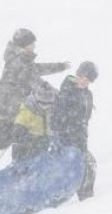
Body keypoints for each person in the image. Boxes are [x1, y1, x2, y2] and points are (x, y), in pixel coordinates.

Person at [0, 28, 69, 190]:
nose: (34, 46)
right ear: (24, 45)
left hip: (3, 104)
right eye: (31, 43)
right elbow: (36, 81)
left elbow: (35, 70)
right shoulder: (20, 62)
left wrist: (60, 66)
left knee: (4, 140)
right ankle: (8, 174)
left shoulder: (18, 58)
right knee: (17, 138)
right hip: (8, 107)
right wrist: (59, 96)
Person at [51, 61, 98, 200]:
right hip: (67, 138)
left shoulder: (87, 94)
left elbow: (85, 118)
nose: (86, 82)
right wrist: (59, 137)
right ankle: (83, 197)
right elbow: (58, 117)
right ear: (79, 74)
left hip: (80, 138)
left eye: (89, 80)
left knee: (89, 165)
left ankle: (85, 197)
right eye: (84, 77)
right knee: (86, 165)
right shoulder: (67, 91)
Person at [10, 79, 57, 162]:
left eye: (48, 104)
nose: (45, 107)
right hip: (28, 144)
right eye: (42, 104)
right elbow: (18, 129)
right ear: (36, 100)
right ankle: (19, 164)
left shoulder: (52, 111)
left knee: (44, 144)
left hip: (44, 142)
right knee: (25, 146)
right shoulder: (28, 110)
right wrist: (23, 138)